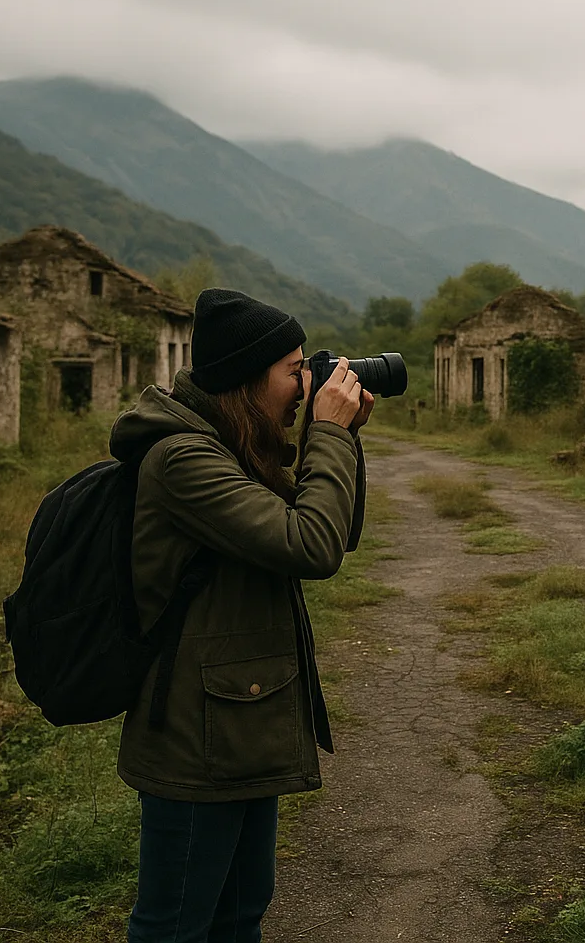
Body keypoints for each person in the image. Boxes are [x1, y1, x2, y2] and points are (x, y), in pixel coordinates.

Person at [109, 288, 372, 943]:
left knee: (236, 920)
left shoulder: (234, 450)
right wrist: (329, 431)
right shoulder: (183, 460)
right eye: (294, 368)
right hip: (196, 745)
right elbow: (309, 546)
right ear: (246, 380)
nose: (305, 382)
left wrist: (341, 437)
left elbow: (334, 530)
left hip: (240, 725)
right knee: (175, 928)